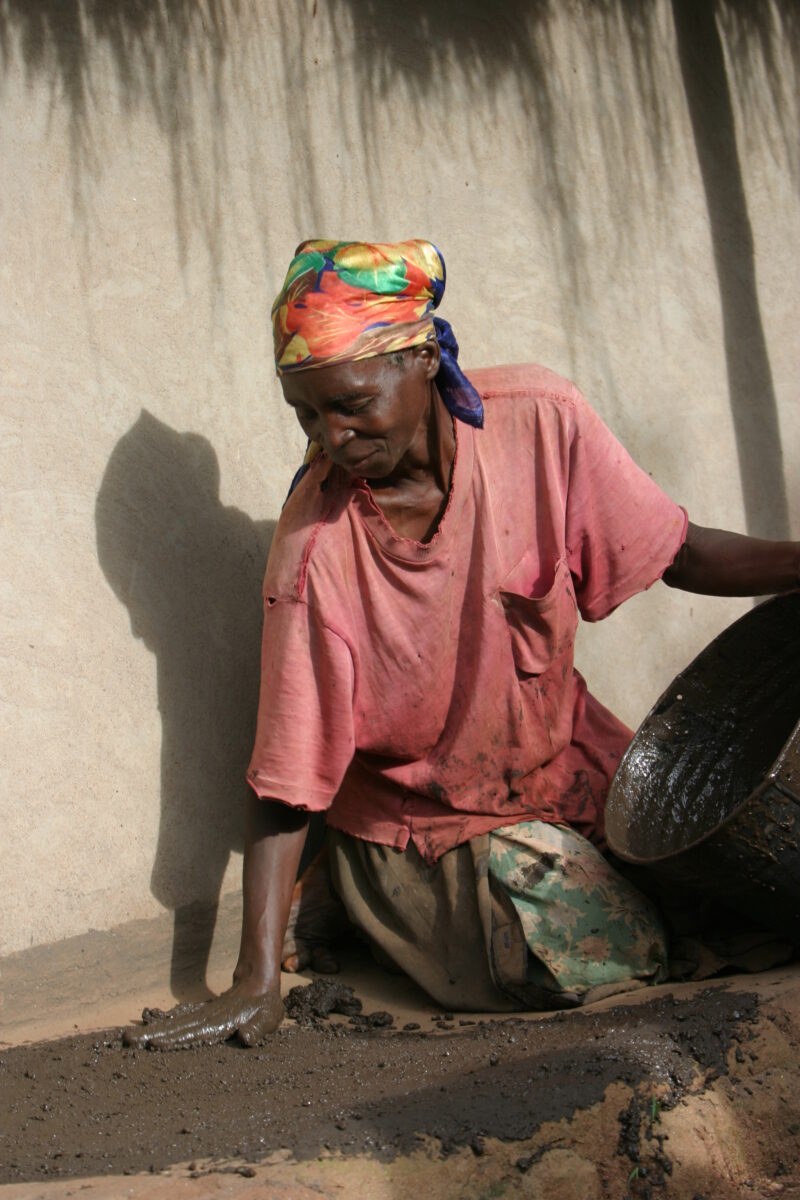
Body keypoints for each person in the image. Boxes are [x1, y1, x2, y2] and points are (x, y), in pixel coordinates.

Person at [125, 239, 800, 1050]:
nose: (332, 438)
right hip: (426, 823)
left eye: (349, 403)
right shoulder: (318, 553)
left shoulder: (543, 424)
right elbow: (286, 782)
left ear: (421, 357)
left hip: (566, 770)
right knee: (600, 947)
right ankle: (359, 896)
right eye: (307, 415)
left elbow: (677, 550)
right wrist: (254, 980)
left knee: (754, 884)